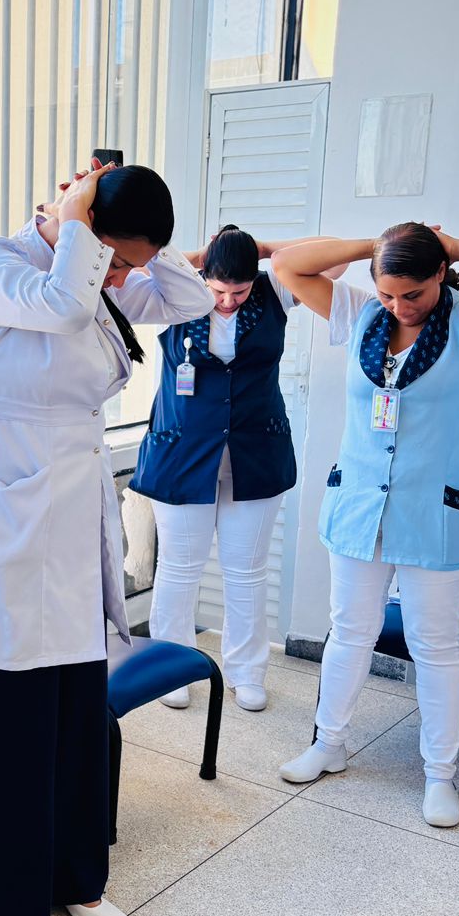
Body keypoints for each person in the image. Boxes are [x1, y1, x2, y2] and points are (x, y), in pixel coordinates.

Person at [0, 160, 215, 916]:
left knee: (77, 725)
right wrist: (81, 223)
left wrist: (138, 251)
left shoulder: (101, 276)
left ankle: (76, 881)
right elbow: (59, 305)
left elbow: (191, 301)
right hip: (7, 536)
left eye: (129, 265)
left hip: (75, 529)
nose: (121, 279)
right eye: (116, 261)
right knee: (9, 740)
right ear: (79, 223)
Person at [273, 223, 459, 827]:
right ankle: (329, 743)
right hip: (360, 508)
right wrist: (375, 246)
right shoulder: (361, 313)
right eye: (387, 292)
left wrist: (455, 245)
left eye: (412, 293)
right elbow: (287, 265)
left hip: (437, 514)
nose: (398, 306)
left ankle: (440, 774)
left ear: (440, 274)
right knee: (349, 631)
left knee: (436, 645)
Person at [130, 227, 347, 712]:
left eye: (240, 291)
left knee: (247, 571)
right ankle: (171, 668)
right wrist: (198, 259)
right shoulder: (178, 292)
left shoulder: (276, 290)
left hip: (255, 452)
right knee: (179, 569)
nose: (227, 302)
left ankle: (247, 672)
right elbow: (129, 269)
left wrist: (266, 251)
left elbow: (336, 262)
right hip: (182, 453)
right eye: (218, 290)